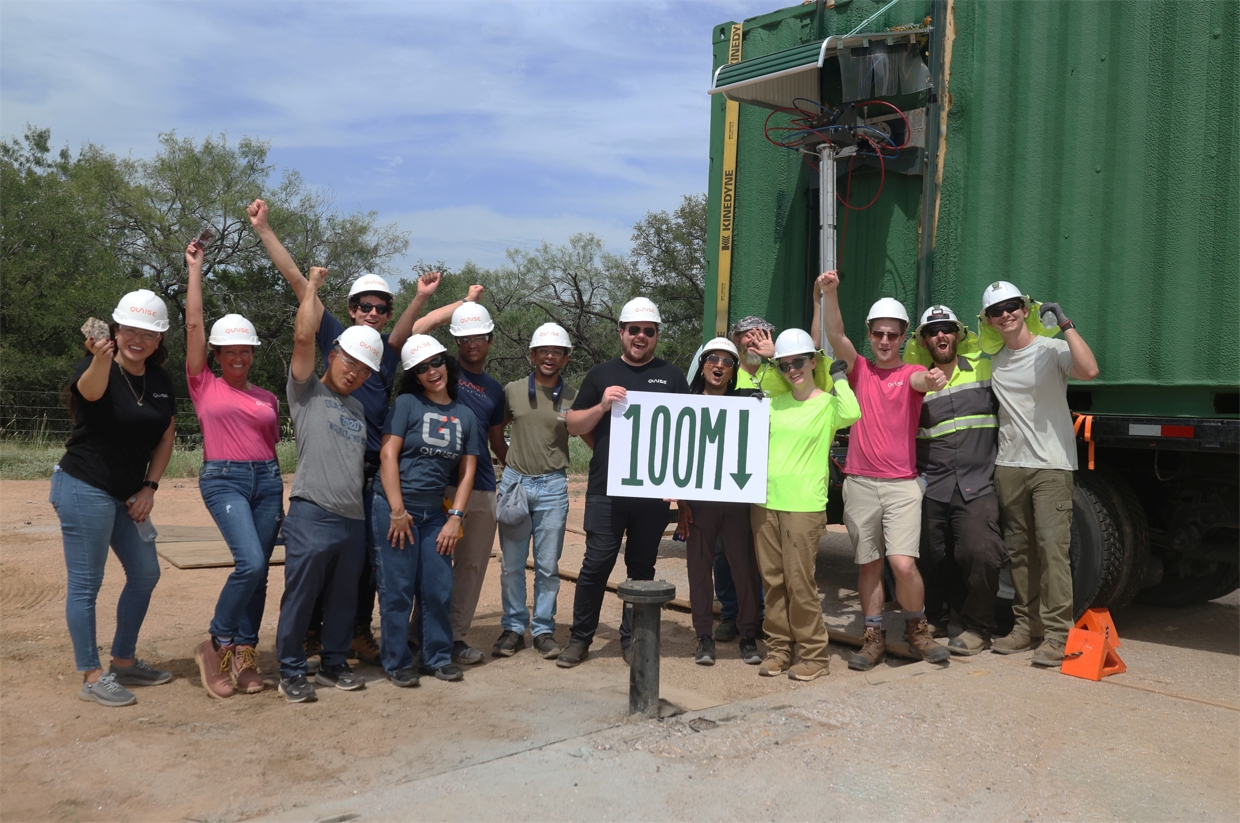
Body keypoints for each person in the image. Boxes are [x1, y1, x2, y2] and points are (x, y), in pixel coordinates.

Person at [249, 198, 476, 668]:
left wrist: (456, 302)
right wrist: (265, 229)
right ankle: (311, 634)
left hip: (374, 466)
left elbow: (424, 324)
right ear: (351, 309)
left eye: (380, 307)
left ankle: (353, 631)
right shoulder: (337, 337)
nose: (372, 312)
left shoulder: (386, 354)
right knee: (321, 559)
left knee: (368, 561)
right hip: (336, 463)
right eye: (364, 305)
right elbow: (296, 283)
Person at [814, 270, 951, 670]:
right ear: (870, 335)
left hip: (902, 487)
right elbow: (836, 335)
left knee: (903, 563)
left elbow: (926, 380)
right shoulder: (860, 371)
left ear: (904, 337)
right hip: (859, 483)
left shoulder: (909, 374)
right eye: (878, 334)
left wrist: (935, 378)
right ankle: (873, 636)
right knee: (869, 564)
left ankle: (917, 628)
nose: (886, 341)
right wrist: (832, 293)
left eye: (893, 335)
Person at [51, 289, 177, 707]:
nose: (137, 339)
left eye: (149, 333)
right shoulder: (94, 364)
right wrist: (101, 356)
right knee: (87, 584)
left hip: (129, 494)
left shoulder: (159, 380)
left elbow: (166, 434)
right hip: (84, 485)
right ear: (116, 329)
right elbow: (89, 393)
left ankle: (123, 661)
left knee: (145, 574)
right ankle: (91, 674)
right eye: (130, 330)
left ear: (159, 340)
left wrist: (150, 486)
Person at [558, 297, 690, 668]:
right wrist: (600, 407)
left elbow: (686, 437)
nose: (641, 337)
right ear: (621, 332)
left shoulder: (673, 376)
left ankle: (633, 639)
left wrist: (679, 491)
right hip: (605, 493)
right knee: (596, 565)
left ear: (657, 335)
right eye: (634, 330)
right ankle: (581, 638)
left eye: (649, 331)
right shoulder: (600, 375)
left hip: (652, 495)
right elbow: (573, 426)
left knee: (642, 568)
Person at [275, 266, 381, 703]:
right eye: (349, 361)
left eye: (364, 369)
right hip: (312, 511)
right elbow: (302, 339)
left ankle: (334, 664)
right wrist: (312, 288)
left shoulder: (357, 408)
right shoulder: (306, 393)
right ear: (333, 353)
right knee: (301, 595)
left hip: (351, 516)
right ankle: (291, 669)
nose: (355, 372)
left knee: (342, 598)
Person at [184, 240, 283, 698]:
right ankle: (216, 643)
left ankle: (243, 654)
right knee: (250, 561)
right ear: (217, 355)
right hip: (223, 478)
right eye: (229, 351)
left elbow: (270, 441)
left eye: (245, 351)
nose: (238, 357)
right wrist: (195, 271)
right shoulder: (203, 384)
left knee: (260, 573)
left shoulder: (268, 398)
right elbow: (194, 324)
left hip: (267, 478)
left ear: (253, 354)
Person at [982, 281, 1098, 667]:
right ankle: (1023, 628)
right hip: (1010, 467)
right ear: (989, 321)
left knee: (1053, 552)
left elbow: (1090, 370)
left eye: (1012, 306)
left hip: (1051, 466)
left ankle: (1057, 634)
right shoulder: (993, 359)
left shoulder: (1052, 350)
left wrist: (1064, 323)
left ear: (1025, 308)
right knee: (1019, 554)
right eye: (997, 311)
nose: (1006, 314)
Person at [748, 329, 861, 680]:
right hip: (765, 502)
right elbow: (767, 383)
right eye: (785, 365)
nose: (792, 369)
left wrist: (838, 375)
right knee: (773, 581)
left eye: (799, 362)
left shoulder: (827, 404)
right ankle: (779, 650)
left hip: (804, 505)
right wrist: (770, 362)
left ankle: (814, 656)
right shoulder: (774, 402)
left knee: (800, 583)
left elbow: (853, 412)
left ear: (814, 362)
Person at [373, 335, 480, 684]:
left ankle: (435, 657)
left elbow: (467, 474)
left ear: (446, 364)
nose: (432, 371)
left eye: (435, 363)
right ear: (415, 376)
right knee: (398, 588)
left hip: (435, 513)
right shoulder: (406, 404)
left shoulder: (465, 415)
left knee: (437, 586)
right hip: (394, 509)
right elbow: (388, 454)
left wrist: (455, 518)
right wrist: (397, 509)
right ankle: (397, 662)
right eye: (422, 368)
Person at [905, 305, 1006, 655]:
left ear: (959, 334)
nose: (940, 336)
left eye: (947, 329)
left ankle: (979, 627)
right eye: (932, 332)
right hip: (933, 484)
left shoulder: (984, 366)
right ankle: (935, 617)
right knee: (930, 555)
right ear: (923, 340)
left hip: (977, 485)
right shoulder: (915, 380)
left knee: (982, 553)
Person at [675, 338, 765, 666]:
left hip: (737, 502)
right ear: (702, 364)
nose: (718, 365)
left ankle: (748, 634)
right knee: (699, 569)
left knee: (744, 569)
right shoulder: (684, 404)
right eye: (713, 358)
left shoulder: (747, 403)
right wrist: (682, 503)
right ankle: (703, 636)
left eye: (727, 362)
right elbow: (677, 456)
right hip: (698, 504)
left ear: (733, 372)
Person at [491, 323, 578, 660]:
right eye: (543, 351)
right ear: (532, 355)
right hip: (516, 483)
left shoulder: (572, 396)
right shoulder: (512, 390)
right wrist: (510, 464)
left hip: (553, 485)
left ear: (566, 358)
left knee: (547, 565)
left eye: (557, 351)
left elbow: (583, 430)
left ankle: (543, 630)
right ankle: (513, 627)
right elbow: (496, 433)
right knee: (512, 564)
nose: (549, 356)